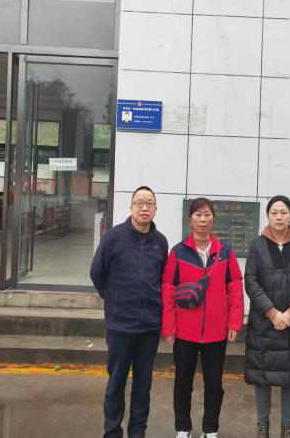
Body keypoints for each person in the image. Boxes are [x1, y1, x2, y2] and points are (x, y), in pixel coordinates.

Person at [161, 198, 244, 438]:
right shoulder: (178, 252)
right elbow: (168, 291)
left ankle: (210, 429)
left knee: (214, 385)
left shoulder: (225, 252)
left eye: (207, 214)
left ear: (213, 218)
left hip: (216, 332)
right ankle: (182, 428)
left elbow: (235, 288)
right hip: (184, 332)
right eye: (198, 215)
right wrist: (169, 328)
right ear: (190, 219)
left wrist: (234, 322)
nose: (203, 219)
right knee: (182, 383)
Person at [90, 186, 169, 438]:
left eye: (149, 203)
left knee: (143, 384)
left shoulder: (161, 242)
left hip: (149, 327)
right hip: (120, 326)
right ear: (131, 207)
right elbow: (97, 273)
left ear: (155, 209)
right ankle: (112, 432)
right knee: (116, 382)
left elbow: (163, 279)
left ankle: (137, 432)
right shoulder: (113, 237)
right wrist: (113, 299)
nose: (144, 208)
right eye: (139, 203)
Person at [244, 195, 290, 438]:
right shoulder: (257, 245)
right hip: (264, 323)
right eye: (274, 212)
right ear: (268, 216)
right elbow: (251, 281)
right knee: (262, 377)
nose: (279, 217)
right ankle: (262, 426)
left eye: (283, 212)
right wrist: (273, 313)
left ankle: (288, 428)